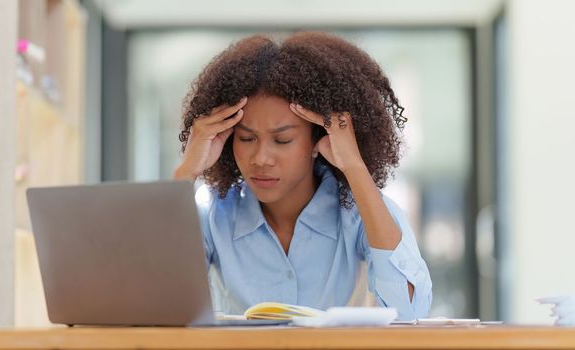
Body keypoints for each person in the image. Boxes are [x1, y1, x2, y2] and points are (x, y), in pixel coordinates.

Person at [173, 32, 432, 320]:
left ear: (318, 141)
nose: (261, 159)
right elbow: (154, 295)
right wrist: (187, 172)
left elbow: (409, 310)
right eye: (246, 139)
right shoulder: (212, 211)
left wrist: (355, 167)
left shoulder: (359, 213)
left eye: (282, 141)